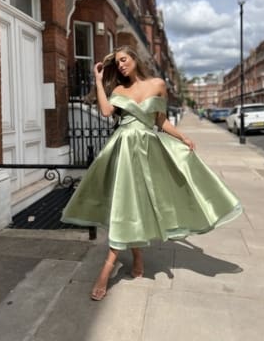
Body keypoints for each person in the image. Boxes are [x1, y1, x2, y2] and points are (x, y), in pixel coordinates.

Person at [61, 45, 242, 301]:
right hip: (122, 150)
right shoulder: (118, 90)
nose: (122, 65)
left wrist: (183, 136)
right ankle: (110, 267)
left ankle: (131, 257)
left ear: (134, 59)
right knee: (126, 205)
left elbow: (161, 121)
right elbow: (105, 112)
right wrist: (99, 81)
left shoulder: (157, 84)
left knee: (139, 204)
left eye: (125, 60)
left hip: (147, 150)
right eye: (118, 63)